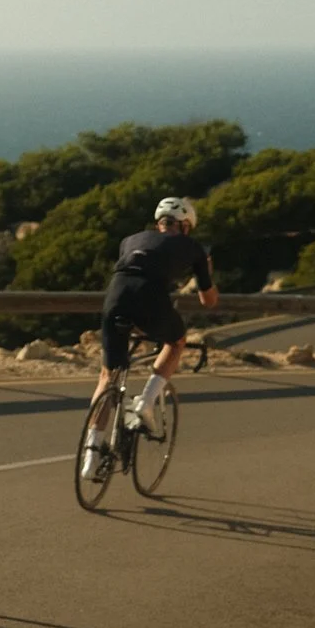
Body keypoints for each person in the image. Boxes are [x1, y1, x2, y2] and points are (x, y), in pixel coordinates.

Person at [84, 196, 219, 480]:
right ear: (185, 226)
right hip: (150, 300)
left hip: (115, 299)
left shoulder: (129, 239)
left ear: (159, 223)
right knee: (176, 341)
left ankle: (90, 454)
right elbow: (208, 301)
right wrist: (207, 271)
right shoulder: (193, 247)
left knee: (107, 377)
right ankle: (145, 402)